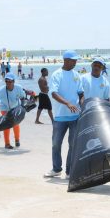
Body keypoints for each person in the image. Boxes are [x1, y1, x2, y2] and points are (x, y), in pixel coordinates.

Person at [44, 50, 84, 178]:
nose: (75, 63)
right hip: (60, 116)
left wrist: (83, 106)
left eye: (76, 60)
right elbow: (54, 93)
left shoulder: (77, 75)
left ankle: (69, 171)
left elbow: (81, 93)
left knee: (73, 145)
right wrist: (67, 103)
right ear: (66, 60)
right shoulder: (56, 74)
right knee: (56, 144)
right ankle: (56, 169)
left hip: (75, 117)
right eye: (73, 60)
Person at [0, 73, 34, 149]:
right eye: (7, 81)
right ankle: (7, 143)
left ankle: (17, 139)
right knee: (6, 125)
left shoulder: (18, 88)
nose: (8, 83)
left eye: (10, 81)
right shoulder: (1, 90)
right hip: (4, 108)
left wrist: (25, 107)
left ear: (14, 81)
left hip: (15, 107)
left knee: (15, 124)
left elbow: (22, 98)